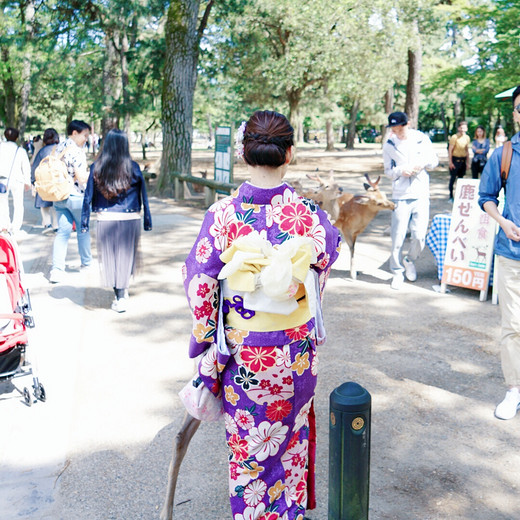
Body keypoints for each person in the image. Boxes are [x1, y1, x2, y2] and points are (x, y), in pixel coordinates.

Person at [183, 110, 340, 519]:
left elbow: (201, 285)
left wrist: (204, 341)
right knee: (291, 441)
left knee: (251, 452)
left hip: (245, 356)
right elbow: (326, 259)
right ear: (289, 153)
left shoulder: (222, 216)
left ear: (242, 153)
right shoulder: (308, 214)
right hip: (296, 354)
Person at [479, 85, 520, 421]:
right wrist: (503, 222)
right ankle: (514, 390)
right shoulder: (503, 153)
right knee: (513, 325)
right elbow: (487, 196)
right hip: (511, 254)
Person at [81, 129, 152, 313]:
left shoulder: (97, 167)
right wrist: (147, 219)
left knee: (111, 259)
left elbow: (88, 195)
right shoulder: (133, 167)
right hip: (130, 218)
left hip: (106, 218)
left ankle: (119, 295)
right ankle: (122, 292)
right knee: (126, 257)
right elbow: (143, 194)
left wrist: (84, 222)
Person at [383, 111, 439, 290]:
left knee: (419, 235)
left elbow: (434, 161)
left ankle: (409, 260)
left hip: (421, 193)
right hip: (400, 195)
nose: (396, 132)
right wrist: (401, 171)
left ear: (406, 124)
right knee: (397, 236)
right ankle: (397, 271)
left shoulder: (421, 139)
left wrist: (421, 164)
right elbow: (388, 172)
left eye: (399, 128)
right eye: (393, 129)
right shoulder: (389, 144)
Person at [49, 119, 92, 283]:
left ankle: (57, 269)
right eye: (84, 135)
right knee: (83, 230)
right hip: (76, 196)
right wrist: (94, 176)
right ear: (75, 133)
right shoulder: (76, 150)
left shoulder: (58, 148)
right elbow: (81, 178)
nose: (86, 139)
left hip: (59, 196)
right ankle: (86, 264)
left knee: (62, 233)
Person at [0, 127, 31, 237]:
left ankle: (4, 225)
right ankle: (16, 227)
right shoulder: (20, 150)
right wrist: (28, 181)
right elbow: (26, 167)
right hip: (18, 180)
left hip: (3, 179)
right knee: (18, 204)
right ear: (17, 138)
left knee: (2, 203)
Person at [31, 128, 59, 234]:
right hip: (57, 181)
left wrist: (33, 181)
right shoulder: (60, 149)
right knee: (56, 204)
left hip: (44, 180)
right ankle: (56, 225)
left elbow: (35, 167)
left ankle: (47, 224)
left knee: (44, 204)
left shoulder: (42, 151)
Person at [448, 120, 471, 201]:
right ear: (458, 128)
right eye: (461, 127)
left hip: (463, 160)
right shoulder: (454, 137)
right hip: (455, 159)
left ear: (466, 129)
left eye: (464, 128)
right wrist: (450, 162)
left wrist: (468, 162)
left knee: (461, 179)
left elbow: (467, 150)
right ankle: (451, 195)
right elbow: (450, 150)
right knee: (453, 178)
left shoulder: (467, 138)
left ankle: (459, 196)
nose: (462, 129)